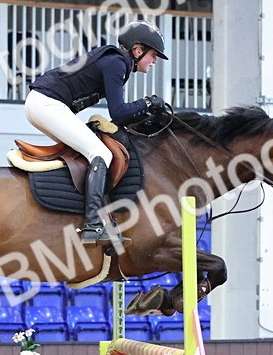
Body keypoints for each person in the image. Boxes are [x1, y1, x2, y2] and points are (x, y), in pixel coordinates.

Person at [25, 20, 169, 245]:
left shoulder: (116, 62)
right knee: (101, 154)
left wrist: (144, 109)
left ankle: (94, 218)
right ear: (138, 51)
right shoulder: (117, 63)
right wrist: (148, 102)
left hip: (43, 104)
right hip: (47, 104)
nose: (155, 61)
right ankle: (93, 224)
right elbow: (119, 113)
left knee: (90, 151)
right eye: (153, 54)